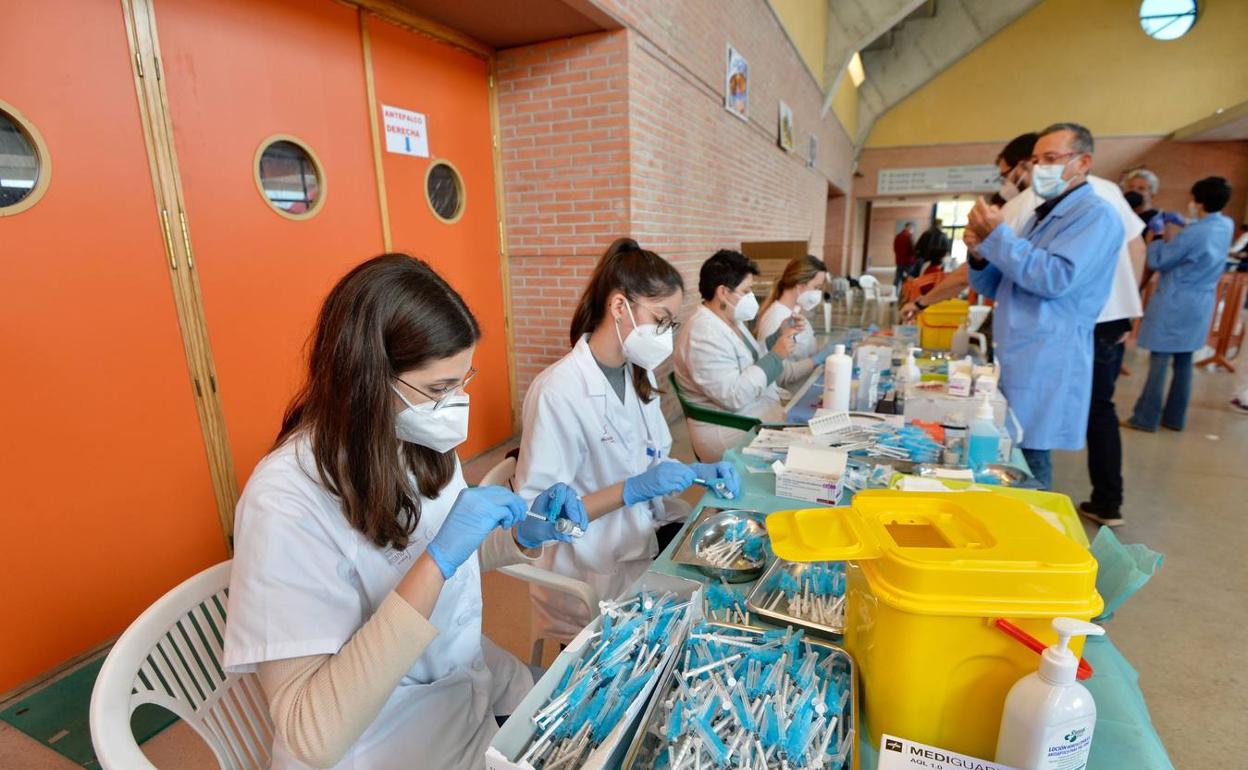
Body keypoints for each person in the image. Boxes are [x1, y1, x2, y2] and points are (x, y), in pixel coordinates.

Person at [222, 255, 588, 769]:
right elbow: (311, 732)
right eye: (440, 389)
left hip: (458, 695)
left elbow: (453, 547)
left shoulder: (413, 436)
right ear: (367, 379)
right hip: (379, 744)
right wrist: (435, 561)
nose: (456, 404)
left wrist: (521, 534)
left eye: (463, 381)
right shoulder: (284, 499)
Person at [514, 238, 740, 644]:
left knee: (725, 580)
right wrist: (630, 491)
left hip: (640, 537)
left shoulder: (639, 375)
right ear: (620, 307)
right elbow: (538, 519)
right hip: (589, 568)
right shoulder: (558, 391)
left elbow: (647, 459)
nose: (667, 334)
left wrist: (692, 472)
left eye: (672, 323)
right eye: (662, 319)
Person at [963, 123, 1123, 489]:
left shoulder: (1095, 216)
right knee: (1015, 450)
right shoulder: (1042, 216)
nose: (1039, 169)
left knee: (1030, 457)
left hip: (1050, 353)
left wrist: (999, 237)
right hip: (1020, 350)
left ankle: (1034, 534)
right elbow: (1000, 282)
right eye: (1035, 160)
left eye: (1051, 159)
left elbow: (1054, 278)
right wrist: (978, 253)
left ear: (1083, 162)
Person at [675, 249, 833, 462]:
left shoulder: (730, 319)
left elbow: (751, 356)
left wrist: (779, 334)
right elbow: (733, 395)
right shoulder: (703, 333)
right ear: (723, 292)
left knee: (819, 429)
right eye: (746, 290)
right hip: (729, 426)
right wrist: (776, 356)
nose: (751, 297)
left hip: (754, 409)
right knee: (812, 450)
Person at [1126, 177, 1235, 433]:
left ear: (1198, 201)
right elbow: (1202, 239)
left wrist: (1160, 235)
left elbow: (1160, 260)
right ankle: (1175, 418)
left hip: (1175, 299)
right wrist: (1186, 224)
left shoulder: (1194, 233)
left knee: (1160, 360)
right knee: (1185, 360)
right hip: (1201, 301)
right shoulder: (1225, 224)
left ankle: (1145, 417)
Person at [899, 133, 1039, 322]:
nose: (1004, 184)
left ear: (1026, 165)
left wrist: (920, 303)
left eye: (1005, 176)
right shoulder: (1041, 204)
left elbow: (966, 275)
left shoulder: (1024, 204)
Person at [756, 254, 832, 362]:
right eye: (816, 287)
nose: (818, 293)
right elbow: (778, 373)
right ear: (800, 285)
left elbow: (806, 351)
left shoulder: (795, 313)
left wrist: (830, 352)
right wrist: (816, 360)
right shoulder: (776, 318)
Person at [893, 224, 917, 288]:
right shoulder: (909, 236)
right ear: (909, 228)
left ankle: (894, 292)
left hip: (899, 260)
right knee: (906, 278)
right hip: (908, 261)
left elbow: (895, 248)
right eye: (912, 229)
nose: (913, 230)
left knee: (898, 277)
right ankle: (903, 293)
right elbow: (912, 249)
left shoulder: (898, 236)